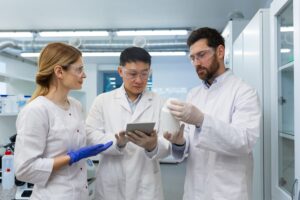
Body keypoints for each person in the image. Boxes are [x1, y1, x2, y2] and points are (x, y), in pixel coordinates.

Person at [164, 27, 261, 200]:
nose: (196, 63)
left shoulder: (244, 92)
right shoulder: (193, 94)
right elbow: (189, 145)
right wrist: (179, 142)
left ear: (220, 51)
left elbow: (244, 141)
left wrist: (201, 120)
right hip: (195, 191)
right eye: (192, 58)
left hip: (227, 192)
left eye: (201, 55)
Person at [14, 42, 113, 200]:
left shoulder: (75, 105)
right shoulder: (36, 110)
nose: (84, 75)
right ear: (59, 71)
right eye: (79, 69)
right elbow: (24, 169)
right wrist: (71, 157)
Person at [86, 47, 169, 200]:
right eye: (132, 74)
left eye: (144, 74)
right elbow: (91, 136)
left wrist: (153, 145)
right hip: (111, 184)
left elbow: (167, 144)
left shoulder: (159, 102)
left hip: (146, 185)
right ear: (120, 71)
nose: (139, 80)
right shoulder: (102, 101)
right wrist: (117, 142)